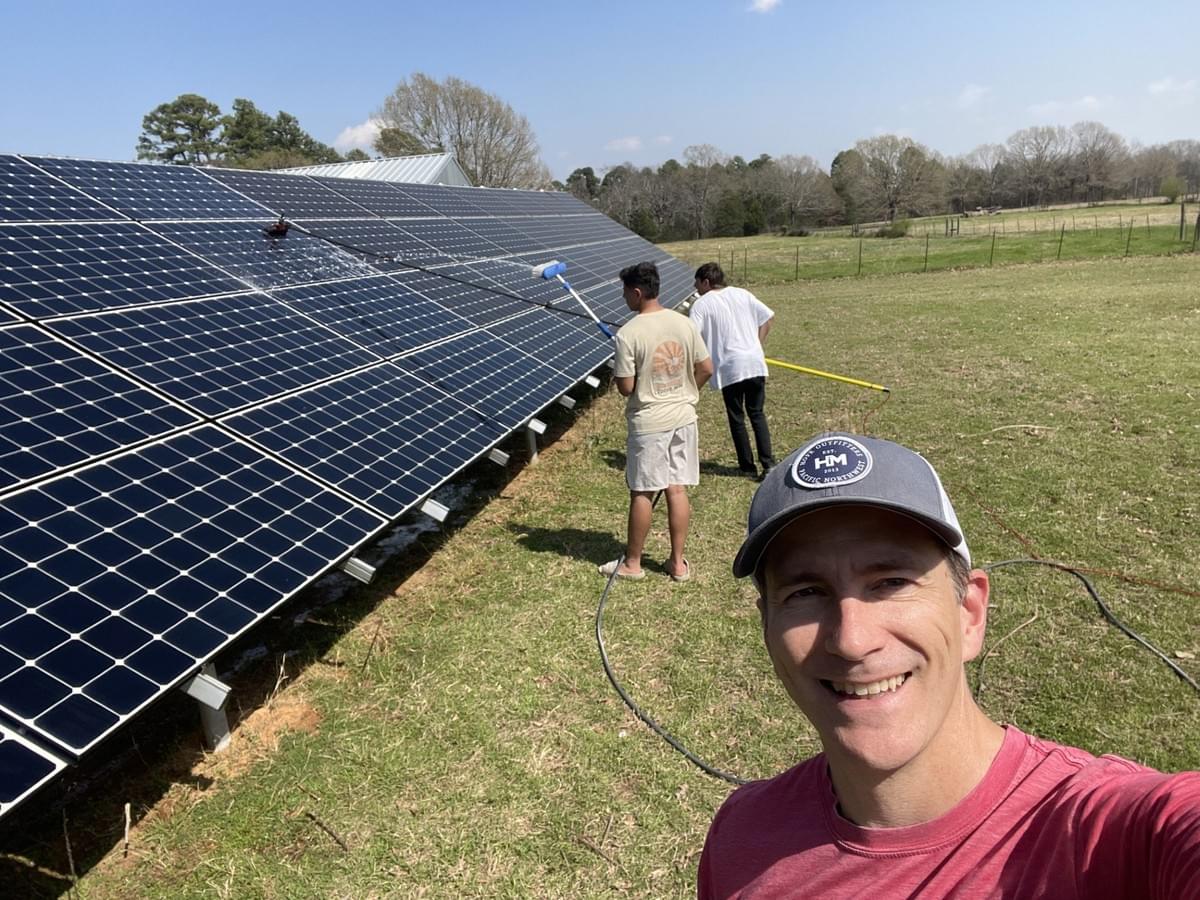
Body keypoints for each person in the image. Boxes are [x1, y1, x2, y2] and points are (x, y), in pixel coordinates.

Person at [699, 432, 1200, 898]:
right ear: (767, 625)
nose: (851, 640)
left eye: (891, 582)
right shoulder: (740, 839)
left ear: (969, 613)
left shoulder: (1106, 834)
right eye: (806, 592)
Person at [599, 262, 712, 582]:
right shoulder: (684, 323)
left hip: (649, 423)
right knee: (677, 489)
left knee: (643, 492)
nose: (623, 298)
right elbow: (706, 367)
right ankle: (677, 564)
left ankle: (632, 564)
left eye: (624, 292)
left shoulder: (628, 334)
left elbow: (626, 388)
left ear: (636, 293)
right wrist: (688, 394)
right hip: (683, 418)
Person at [688, 263, 775, 480]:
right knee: (757, 413)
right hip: (755, 363)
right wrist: (756, 345)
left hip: (729, 368)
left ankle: (747, 467)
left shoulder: (701, 305)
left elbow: (691, 336)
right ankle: (769, 463)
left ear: (706, 282)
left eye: (697, 283)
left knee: (737, 417)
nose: (695, 287)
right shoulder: (743, 294)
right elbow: (768, 318)